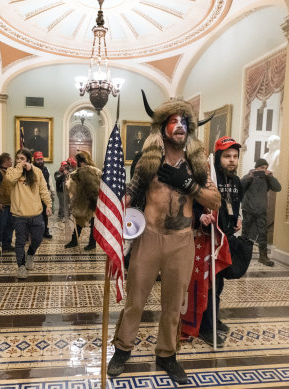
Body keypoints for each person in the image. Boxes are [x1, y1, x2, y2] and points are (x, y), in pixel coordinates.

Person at [107, 92, 221, 384]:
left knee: (174, 303)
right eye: (174, 121)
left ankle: (167, 354)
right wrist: (112, 219)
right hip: (149, 237)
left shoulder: (197, 167)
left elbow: (215, 201)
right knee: (136, 299)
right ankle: (122, 348)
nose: (180, 126)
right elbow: (130, 194)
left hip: (182, 241)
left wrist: (188, 185)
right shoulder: (148, 163)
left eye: (184, 121)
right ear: (162, 128)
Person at [196, 136, 253, 348]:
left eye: (235, 156)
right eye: (227, 156)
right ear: (218, 156)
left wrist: (237, 219)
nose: (232, 160)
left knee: (219, 284)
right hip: (209, 237)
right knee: (210, 283)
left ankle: (214, 318)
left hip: (227, 238)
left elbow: (235, 205)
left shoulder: (236, 181)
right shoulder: (209, 178)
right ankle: (206, 326)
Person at [5, 148, 52, 279]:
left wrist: (48, 204)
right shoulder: (11, 171)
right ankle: (21, 267)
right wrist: (20, 168)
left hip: (36, 213)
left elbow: (43, 190)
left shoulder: (37, 172)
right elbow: (10, 180)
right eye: (17, 158)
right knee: (20, 242)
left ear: (29, 160)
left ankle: (30, 254)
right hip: (19, 215)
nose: (19, 161)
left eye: (22, 159)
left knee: (38, 238)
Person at [240, 158, 281, 266]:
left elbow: (278, 188)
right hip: (248, 210)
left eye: (266, 168)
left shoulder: (267, 178)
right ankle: (241, 255)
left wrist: (271, 177)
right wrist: (250, 177)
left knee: (263, 234)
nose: (264, 170)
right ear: (256, 167)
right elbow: (240, 186)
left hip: (261, 211)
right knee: (245, 234)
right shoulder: (249, 176)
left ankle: (263, 257)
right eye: (262, 167)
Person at [64, 150, 101, 251]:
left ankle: (84, 242)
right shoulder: (97, 170)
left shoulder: (83, 171)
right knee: (83, 221)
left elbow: (69, 185)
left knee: (86, 222)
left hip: (89, 201)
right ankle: (79, 241)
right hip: (90, 200)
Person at [33, 151, 54, 239]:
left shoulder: (46, 169)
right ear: (34, 160)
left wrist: (53, 192)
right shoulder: (31, 169)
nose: (40, 161)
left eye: (41, 159)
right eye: (38, 159)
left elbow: (50, 181)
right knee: (35, 216)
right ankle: (34, 233)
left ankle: (45, 231)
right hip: (34, 197)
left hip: (45, 195)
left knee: (45, 215)